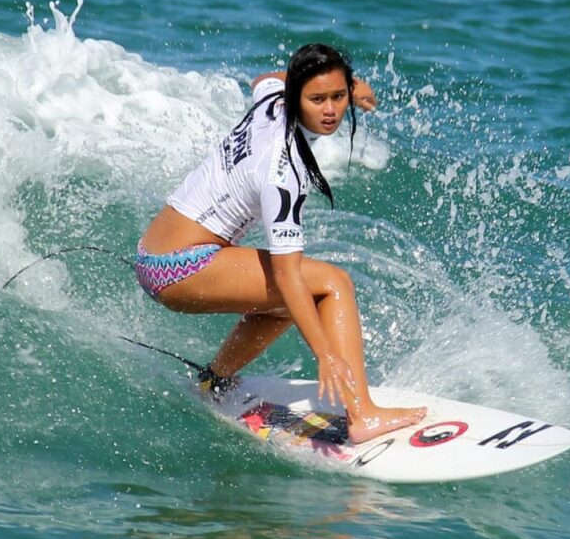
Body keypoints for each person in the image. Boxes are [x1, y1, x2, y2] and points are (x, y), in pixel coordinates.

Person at [135, 43, 427, 444]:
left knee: (293, 302)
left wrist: (350, 83)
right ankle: (363, 414)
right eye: (317, 99)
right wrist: (325, 354)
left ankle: (216, 380)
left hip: (154, 253)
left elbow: (264, 79)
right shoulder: (283, 167)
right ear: (297, 98)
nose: (330, 111)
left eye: (338, 97)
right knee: (331, 284)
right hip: (182, 265)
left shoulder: (272, 101)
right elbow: (289, 275)